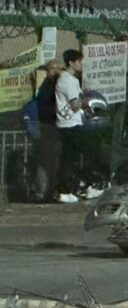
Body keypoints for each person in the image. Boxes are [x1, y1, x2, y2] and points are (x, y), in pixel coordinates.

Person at [55, 49, 84, 204]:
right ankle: (65, 189)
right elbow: (75, 104)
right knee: (70, 157)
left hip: (69, 123)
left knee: (70, 157)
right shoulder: (69, 80)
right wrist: (83, 97)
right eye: (79, 61)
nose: (81, 64)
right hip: (70, 124)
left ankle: (68, 188)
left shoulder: (69, 79)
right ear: (71, 63)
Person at [30, 59, 61, 203]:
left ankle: (48, 191)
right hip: (49, 125)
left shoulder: (55, 85)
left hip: (54, 125)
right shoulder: (48, 86)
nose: (54, 72)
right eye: (51, 69)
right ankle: (42, 192)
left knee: (52, 160)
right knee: (46, 160)